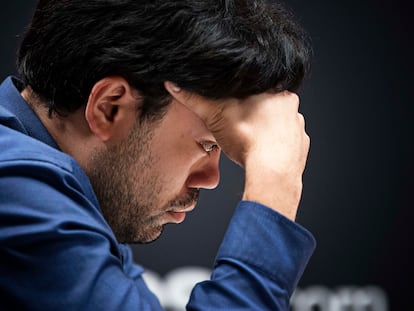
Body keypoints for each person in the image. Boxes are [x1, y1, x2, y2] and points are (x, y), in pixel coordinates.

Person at [0, 0, 316, 309]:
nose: (211, 179)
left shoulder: (60, 194)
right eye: (207, 144)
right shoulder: (16, 188)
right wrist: (274, 185)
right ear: (111, 108)